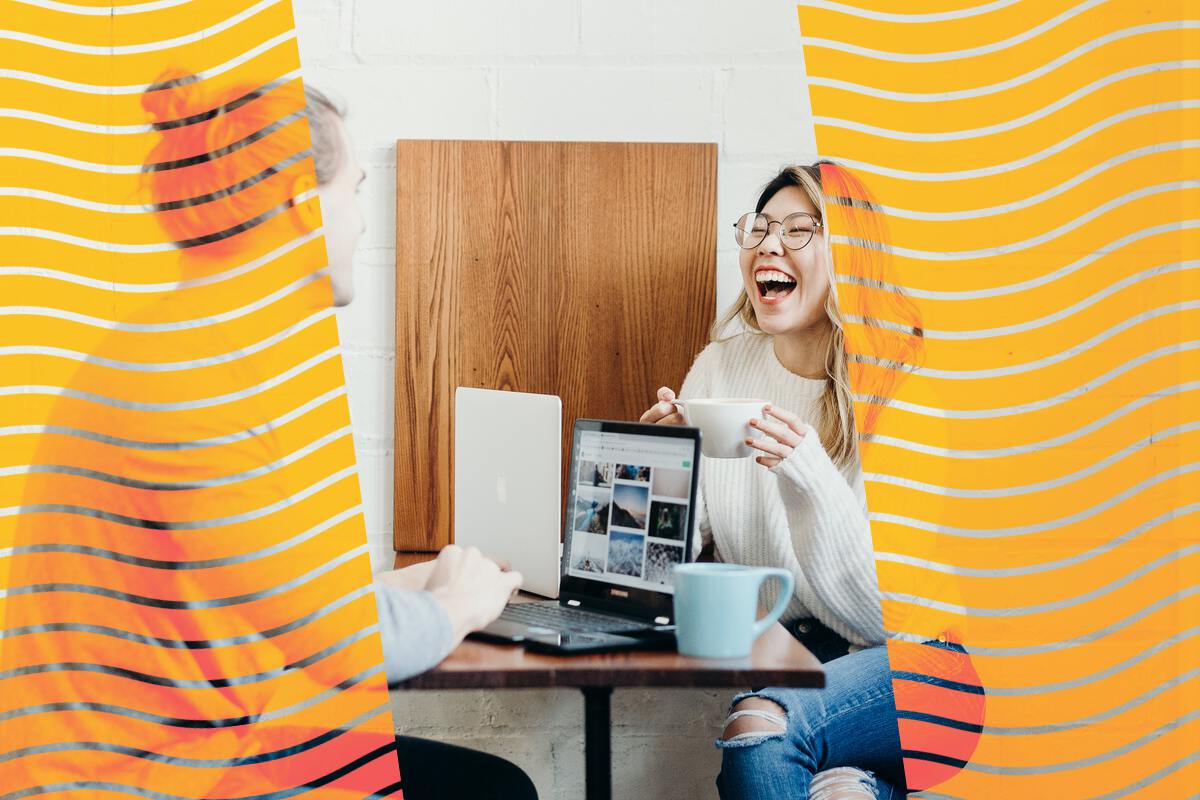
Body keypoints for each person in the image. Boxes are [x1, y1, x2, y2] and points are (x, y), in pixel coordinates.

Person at [640, 163, 935, 799]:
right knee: (837, 792)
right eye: (762, 228)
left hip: (923, 660)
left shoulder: (896, 384)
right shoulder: (721, 369)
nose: (771, 244)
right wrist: (662, 470)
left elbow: (885, 618)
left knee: (760, 731)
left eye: (802, 230)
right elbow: (671, 564)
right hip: (793, 660)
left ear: (852, 257)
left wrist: (808, 476)